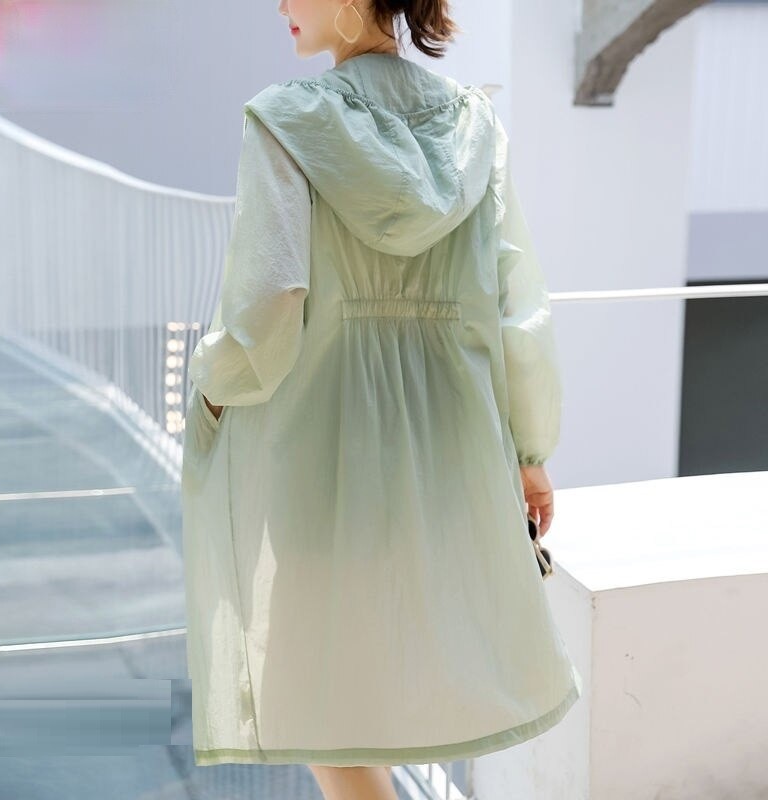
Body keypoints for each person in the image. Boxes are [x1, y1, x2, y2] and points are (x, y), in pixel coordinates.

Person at [180, 0, 582, 798]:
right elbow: (517, 308)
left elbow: (270, 304)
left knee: (316, 698)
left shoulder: (286, 120)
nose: (281, 5)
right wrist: (530, 451)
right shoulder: (473, 124)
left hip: (325, 444)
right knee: (414, 671)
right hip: (453, 446)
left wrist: (214, 386)